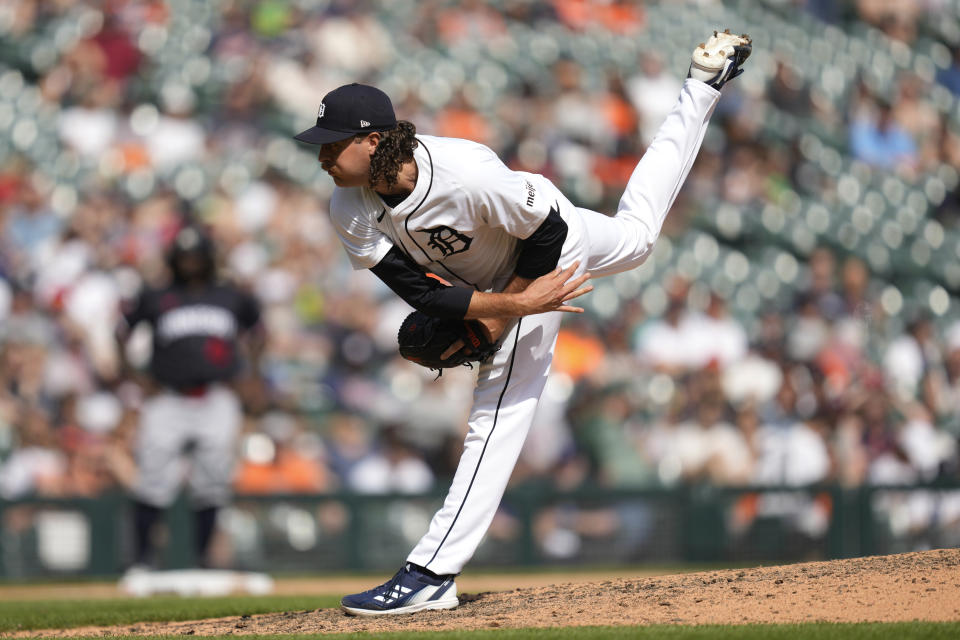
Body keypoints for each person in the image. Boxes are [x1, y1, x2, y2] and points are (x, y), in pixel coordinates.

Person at [293, 30, 751, 616]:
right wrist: (499, 312)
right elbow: (418, 292)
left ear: (375, 141)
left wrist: (511, 309)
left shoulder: (465, 172)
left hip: (545, 249)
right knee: (637, 241)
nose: (323, 156)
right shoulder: (347, 205)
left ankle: (432, 572)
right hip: (502, 282)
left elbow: (551, 232)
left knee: (499, 408)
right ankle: (702, 87)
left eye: (333, 145)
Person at [117, 224, 264, 571]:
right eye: (184, 256)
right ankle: (141, 561)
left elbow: (258, 329)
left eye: (196, 255)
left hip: (216, 396)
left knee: (213, 481)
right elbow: (121, 331)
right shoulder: (156, 295)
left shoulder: (229, 295)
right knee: (152, 479)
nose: (190, 263)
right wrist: (133, 376)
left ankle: (204, 561)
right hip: (167, 396)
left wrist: (253, 374)